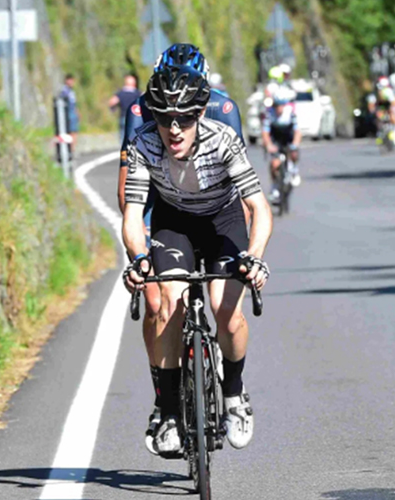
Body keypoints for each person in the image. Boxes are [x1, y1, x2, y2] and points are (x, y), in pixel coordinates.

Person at [122, 62, 273, 456]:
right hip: (174, 222)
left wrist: (255, 257)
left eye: (185, 118)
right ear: (153, 115)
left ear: (200, 113)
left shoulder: (223, 140)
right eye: (165, 118)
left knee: (228, 313)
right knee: (170, 304)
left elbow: (258, 207)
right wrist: (139, 258)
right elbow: (134, 215)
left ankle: (235, 396)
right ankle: (170, 411)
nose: (174, 129)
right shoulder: (142, 144)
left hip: (222, 221)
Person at [261, 87, 302, 201]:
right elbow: (265, 132)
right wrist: (268, 145)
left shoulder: (291, 114)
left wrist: (295, 144)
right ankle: (274, 187)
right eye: (277, 105)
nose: (279, 108)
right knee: (274, 164)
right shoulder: (269, 114)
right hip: (276, 139)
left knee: (293, 154)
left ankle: (294, 171)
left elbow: (297, 132)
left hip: (288, 138)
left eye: (282, 105)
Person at [108, 74, 141, 142]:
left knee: (123, 136)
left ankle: (124, 150)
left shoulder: (121, 93)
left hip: (124, 117)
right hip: (135, 118)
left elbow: (112, 102)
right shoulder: (137, 93)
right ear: (134, 84)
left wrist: (112, 109)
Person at [374, 75, 395, 147]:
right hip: (382, 105)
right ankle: (379, 133)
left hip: (390, 103)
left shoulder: (390, 90)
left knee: (392, 115)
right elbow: (377, 101)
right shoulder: (378, 90)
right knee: (379, 117)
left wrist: (392, 107)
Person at [59, 74, 80, 153]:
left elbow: (74, 104)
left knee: (74, 132)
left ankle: (73, 148)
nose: (72, 82)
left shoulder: (71, 91)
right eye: (70, 80)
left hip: (73, 114)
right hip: (68, 114)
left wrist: (77, 112)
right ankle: (71, 149)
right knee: (71, 132)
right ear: (66, 81)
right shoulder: (65, 91)